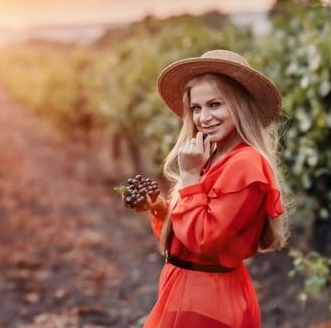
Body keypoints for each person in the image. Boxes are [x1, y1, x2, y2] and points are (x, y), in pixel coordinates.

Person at [123, 49, 289, 328]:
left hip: (207, 300)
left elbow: (204, 241)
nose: (203, 117)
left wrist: (188, 176)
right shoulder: (211, 157)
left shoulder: (245, 164)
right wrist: (162, 208)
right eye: (196, 108)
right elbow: (186, 234)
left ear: (240, 106)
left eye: (215, 104)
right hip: (190, 291)